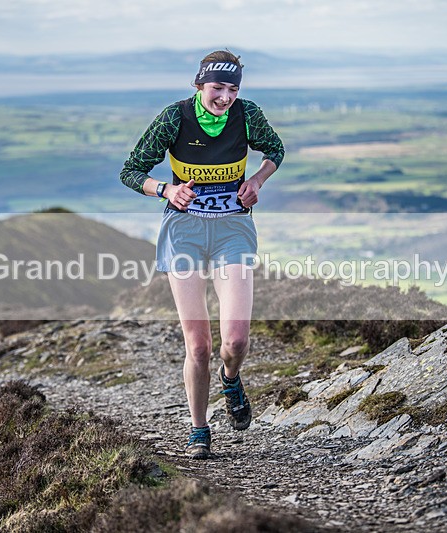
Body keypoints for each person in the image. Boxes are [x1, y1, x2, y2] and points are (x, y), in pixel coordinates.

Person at [120, 50, 285, 459]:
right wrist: (166, 190)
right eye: (217, 87)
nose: (225, 97)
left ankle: (231, 379)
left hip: (232, 229)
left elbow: (275, 151)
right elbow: (131, 171)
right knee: (198, 346)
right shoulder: (174, 118)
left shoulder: (247, 115)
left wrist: (258, 181)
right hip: (185, 232)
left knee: (236, 340)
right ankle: (199, 428)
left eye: (233, 89)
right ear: (199, 84)